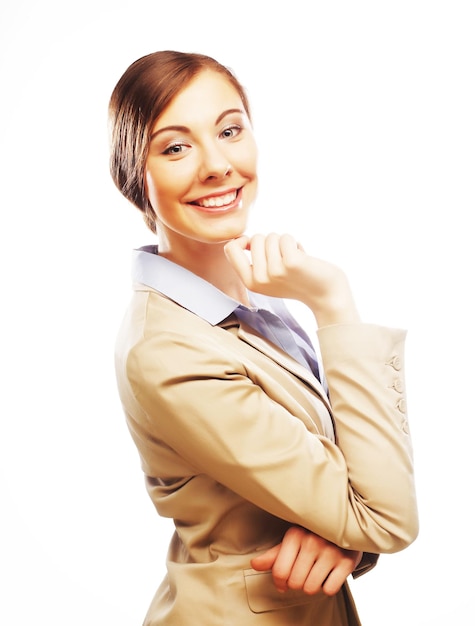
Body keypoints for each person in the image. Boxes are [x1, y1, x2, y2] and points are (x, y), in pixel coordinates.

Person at [109, 50, 418, 626]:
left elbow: (364, 498)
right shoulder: (168, 353)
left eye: (230, 130)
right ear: (135, 176)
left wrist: (348, 538)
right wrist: (333, 301)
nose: (218, 164)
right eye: (176, 147)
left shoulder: (258, 294)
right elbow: (387, 514)